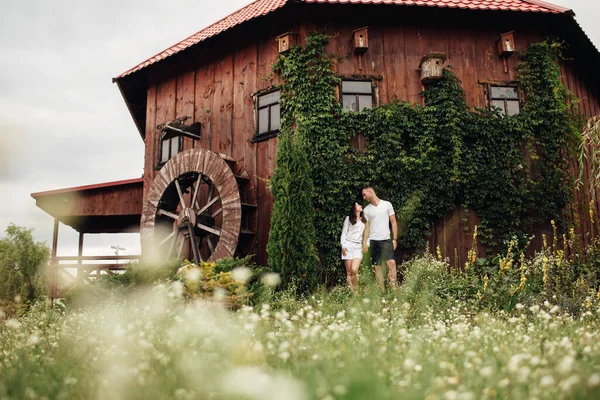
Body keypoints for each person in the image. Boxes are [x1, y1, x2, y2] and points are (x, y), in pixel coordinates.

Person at [361, 186, 398, 290]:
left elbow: (393, 222)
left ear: (371, 191)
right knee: (377, 267)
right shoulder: (366, 210)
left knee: (391, 262)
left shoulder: (387, 205)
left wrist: (394, 239)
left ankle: (394, 291)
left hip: (386, 239)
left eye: (364, 194)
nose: (364, 197)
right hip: (373, 241)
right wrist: (364, 243)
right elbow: (367, 228)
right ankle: (382, 293)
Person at [340, 202, 368, 294]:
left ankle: (357, 289)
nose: (360, 206)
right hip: (348, 245)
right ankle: (355, 295)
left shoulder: (364, 221)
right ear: (354, 208)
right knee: (349, 272)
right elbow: (344, 233)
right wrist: (343, 246)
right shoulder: (348, 219)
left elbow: (367, 235)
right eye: (358, 205)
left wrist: (366, 244)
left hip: (358, 247)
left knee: (354, 269)